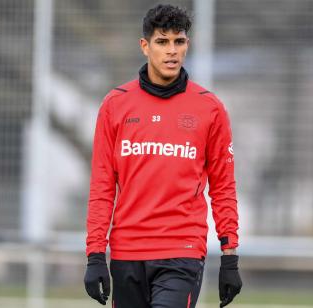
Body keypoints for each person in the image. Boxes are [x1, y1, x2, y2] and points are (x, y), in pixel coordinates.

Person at [84, 4, 242, 308]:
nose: (172, 51)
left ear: (187, 45)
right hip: (126, 252)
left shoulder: (209, 109)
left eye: (178, 42)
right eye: (162, 41)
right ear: (145, 46)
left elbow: (223, 188)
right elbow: (102, 186)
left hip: (182, 250)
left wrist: (230, 256)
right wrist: (94, 255)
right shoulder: (115, 106)